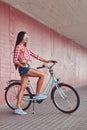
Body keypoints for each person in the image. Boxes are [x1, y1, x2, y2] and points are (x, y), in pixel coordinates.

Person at [13, 31, 52, 115]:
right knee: (42, 75)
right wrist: (21, 65)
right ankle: (38, 94)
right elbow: (15, 60)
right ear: (21, 37)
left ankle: (18, 107)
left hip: (27, 68)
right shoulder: (18, 47)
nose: (27, 38)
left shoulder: (26, 48)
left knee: (23, 88)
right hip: (24, 68)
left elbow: (37, 56)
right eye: (25, 36)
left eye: (27, 37)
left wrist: (47, 60)